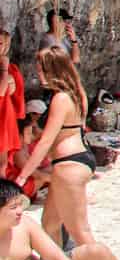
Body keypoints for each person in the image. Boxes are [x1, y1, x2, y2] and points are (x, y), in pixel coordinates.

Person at [17, 47, 96, 248]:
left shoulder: (60, 99)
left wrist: (23, 175)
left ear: (53, 70)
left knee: (80, 230)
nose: (38, 74)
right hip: (78, 159)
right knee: (50, 223)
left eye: (41, 70)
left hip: (68, 163)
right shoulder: (78, 93)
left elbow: (46, 142)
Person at [0, 30, 22, 172]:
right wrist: (3, 69)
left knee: (2, 165)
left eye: (1, 43)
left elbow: (14, 94)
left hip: (5, 118)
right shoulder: (6, 68)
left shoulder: (11, 69)